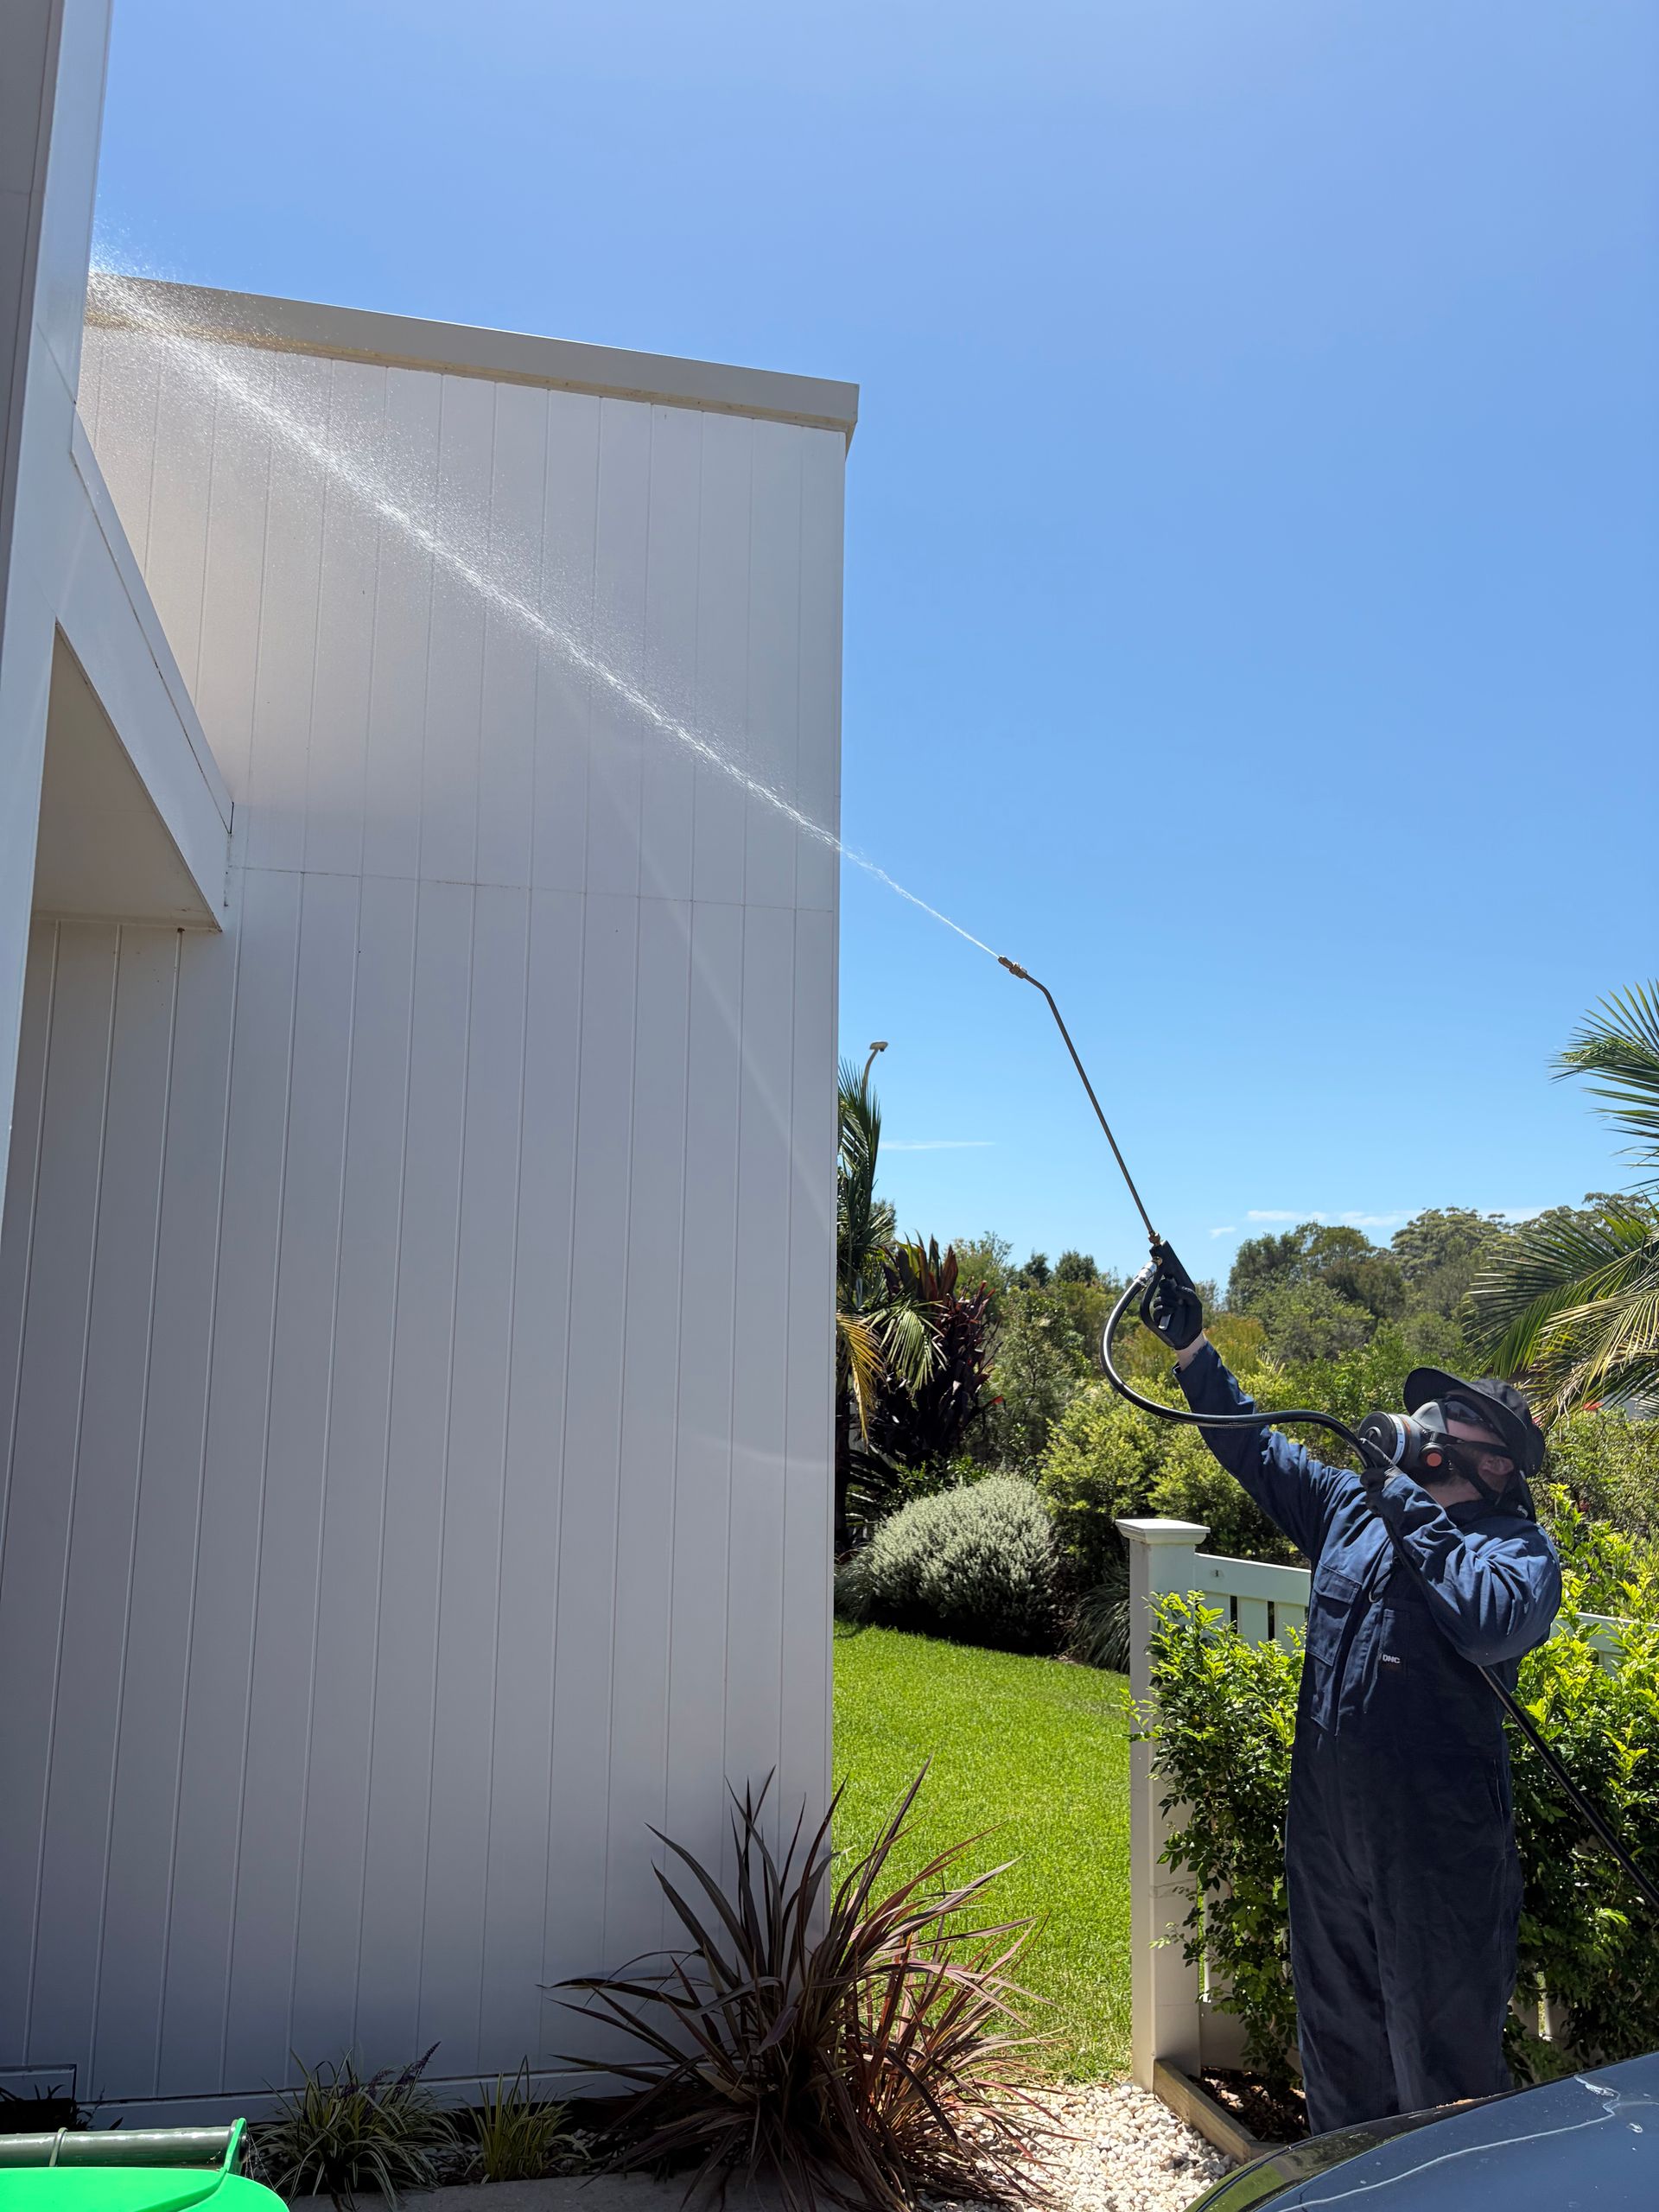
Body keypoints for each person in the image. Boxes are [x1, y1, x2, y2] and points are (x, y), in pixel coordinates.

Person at [1141, 1255, 1561, 2134]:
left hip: (1440, 1861)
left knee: (1443, 2086)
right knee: (1337, 2054)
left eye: (1451, 1422)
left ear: (1496, 1465)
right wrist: (1193, 1349)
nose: (1428, 1424)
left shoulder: (1518, 1552)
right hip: (1328, 1836)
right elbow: (1255, 1446)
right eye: (1432, 1413)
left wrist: (1407, 1496)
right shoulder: (1347, 1506)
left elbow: (1485, 1621)